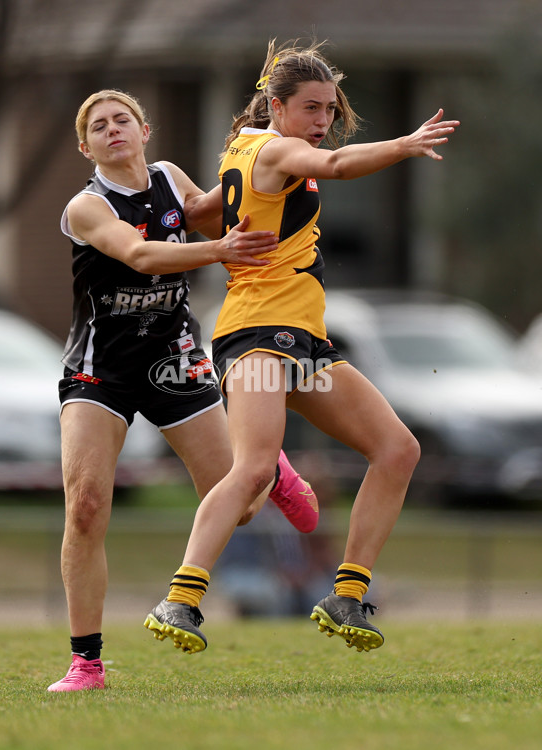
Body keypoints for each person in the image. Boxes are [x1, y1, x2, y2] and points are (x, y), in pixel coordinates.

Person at [145, 39, 459, 654]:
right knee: (256, 467)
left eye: (329, 111)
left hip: (301, 342)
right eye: (311, 109)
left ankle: (347, 594)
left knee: (397, 449)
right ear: (276, 106)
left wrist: (181, 202)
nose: (322, 123)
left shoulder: (246, 151)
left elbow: (210, 214)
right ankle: (180, 598)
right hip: (260, 337)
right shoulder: (278, 148)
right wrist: (403, 144)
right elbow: (339, 167)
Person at [47, 89, 319, 692]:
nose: (112, 130)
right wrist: (221, 249)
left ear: (147, 130)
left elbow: (208, 205)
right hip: (101, 370)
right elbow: (141, 255)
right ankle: (86, 663)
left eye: (123, 120)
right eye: (98, 125)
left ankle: (269, 465)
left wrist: (270, 153)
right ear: (84, 145)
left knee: (243, 507)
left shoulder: (169, 177)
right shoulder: (86, 207)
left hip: (174, 359)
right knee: (86, 504)